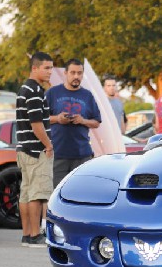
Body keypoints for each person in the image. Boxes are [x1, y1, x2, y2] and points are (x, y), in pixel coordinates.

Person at [16, 52, 54, 247]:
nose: (50, 72)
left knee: (26, 192)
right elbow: (36, 124)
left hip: (23, 148)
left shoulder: (24, 88)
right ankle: (34, 235)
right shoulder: (35, 91)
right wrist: (48, 145)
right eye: (46, 68)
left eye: (51, 68)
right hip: (36, 149)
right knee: (38, 194)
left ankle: (26, 235)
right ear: (35, 68)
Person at [47, 58, 101, 188]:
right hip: (58, 154)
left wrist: (82, 121)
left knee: (81, 192)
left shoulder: (87, 95)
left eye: (79, 73)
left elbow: (97, 122)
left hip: (82, 155)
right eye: (73, 72)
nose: (76, 76)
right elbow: (40, 119)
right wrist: (57, 119)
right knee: (57, 193)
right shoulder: (52, 93)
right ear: (65, 73)